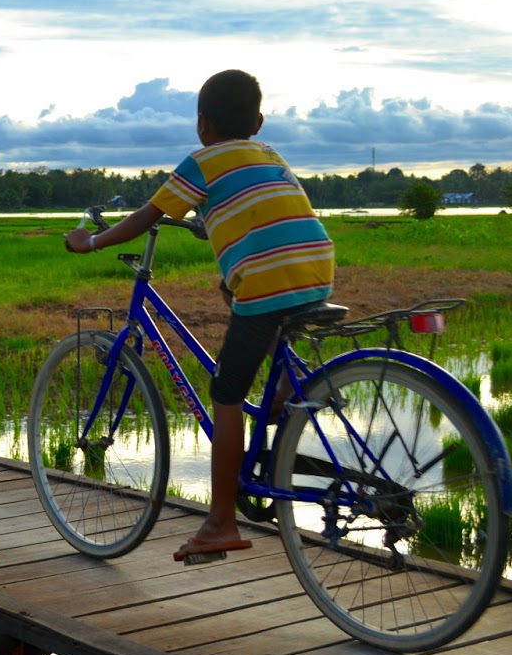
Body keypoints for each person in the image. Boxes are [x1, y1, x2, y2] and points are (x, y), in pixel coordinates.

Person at [63, 70, 334, 563]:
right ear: (258, 120)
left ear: (202, 123)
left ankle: (220, 523)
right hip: (316, 269)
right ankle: (288, 381)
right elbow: (255, 209)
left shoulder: (203, 161)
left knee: (225, 394)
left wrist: (93, 241)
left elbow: (147, 214)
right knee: (234, 291)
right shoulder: (269, 154)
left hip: (268, 281)